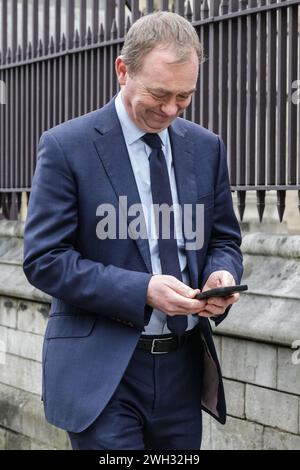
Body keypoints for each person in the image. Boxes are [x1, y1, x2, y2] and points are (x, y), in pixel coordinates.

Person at [23, 11, 243, 450]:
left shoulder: (206, 147)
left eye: (185, 97)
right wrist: (142, 289)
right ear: (122, 70)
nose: (170, 109)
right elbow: (44, 260)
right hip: (101, 376)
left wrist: (221, 275)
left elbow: (223, 239)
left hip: (183, 373)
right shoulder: (67, 146)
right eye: (159, 94)